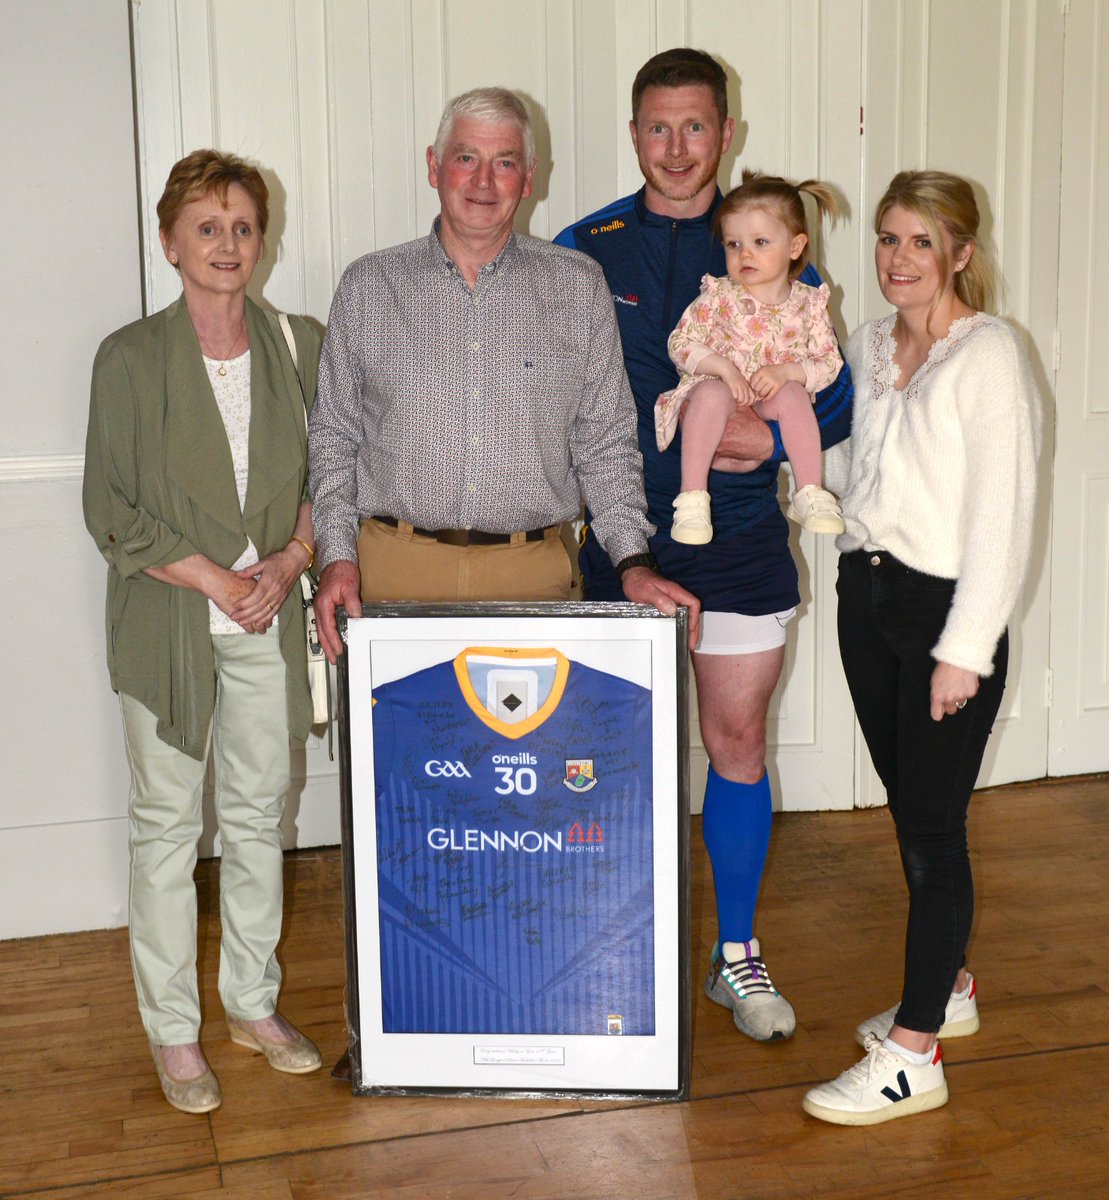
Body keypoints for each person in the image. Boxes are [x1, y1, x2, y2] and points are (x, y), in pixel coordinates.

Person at [557, 49, 853, 1043]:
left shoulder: (771, 242)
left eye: (695, 127)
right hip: (621, 544)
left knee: (734, 743)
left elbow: (836, 394)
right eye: (656, 127)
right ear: (633, 133)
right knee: (605, 763)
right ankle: (607, 950)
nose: (676, 148)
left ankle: (734, 958)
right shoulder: (583, 247)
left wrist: (764, 437)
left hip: (741, 547)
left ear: (726, 132)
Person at [83, 150, 323, 1115]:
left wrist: (290, 562)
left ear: (262, 240)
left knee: (262, 815)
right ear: (170, 239)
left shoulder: (300, 342)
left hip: (268, 613)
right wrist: (218, 578)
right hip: (172, 620)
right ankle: (174, 1032)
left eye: (243, 226)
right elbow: (113, 510)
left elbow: (330, 483)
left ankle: (252, 1006)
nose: (228, 244)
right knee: (167, 828)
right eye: (207, 226)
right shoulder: (129, 356)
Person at [802, 171, 1040, 1125]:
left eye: (917, 243)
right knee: (914, 813)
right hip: (867, 596)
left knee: (934, 834)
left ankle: (912, 1056)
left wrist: (965, 650)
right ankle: (949, 989)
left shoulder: (988, 355)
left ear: (960, 254)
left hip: (946, 615)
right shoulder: (871, 342)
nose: (897, 259)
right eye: (887, 240)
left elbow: (1001, 517)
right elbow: (869, 467)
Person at [308, 86, 699, 663]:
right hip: (391, 580)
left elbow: (607, 445)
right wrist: (336, 557)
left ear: (530, 177)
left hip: (533, 580)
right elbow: (334, 437)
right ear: (434, 166)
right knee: (399, 753)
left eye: (505, 162)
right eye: (466, 157)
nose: (484, 181)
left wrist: (633, 563)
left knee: (530, 752)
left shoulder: (576, 286)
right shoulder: (370, 287)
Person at [657, 171, 845, 543]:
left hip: (766, 404)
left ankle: (809, 491)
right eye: (733, 244)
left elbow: (829, 362)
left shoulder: (809, 303)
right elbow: (680, 342)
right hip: (720, 398)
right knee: (711, 394)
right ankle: (692, 498)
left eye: (760, 242)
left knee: (792, 394)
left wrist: (789, 371)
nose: (744, 253)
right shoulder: (719, 296)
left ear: (795, 246)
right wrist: (722, 368)